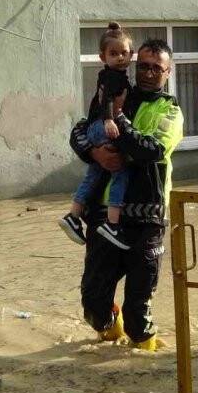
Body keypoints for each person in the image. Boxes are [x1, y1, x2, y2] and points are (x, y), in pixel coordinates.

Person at [69, 39, 184, 351]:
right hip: (105, 215)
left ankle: (146, 368)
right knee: (93, 303)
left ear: (168, 72)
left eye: (156, 68)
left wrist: (119, 120)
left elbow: (152, 150)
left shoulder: (170, 111)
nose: (148, 73)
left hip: (147, 218)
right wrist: (95, 153)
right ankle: (110, 332)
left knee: (138, 310)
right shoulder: (115, 93)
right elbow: (79, 131)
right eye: (143, 66)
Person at [60, 22, 133, 250]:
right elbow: (107, 100)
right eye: (114, 53)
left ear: (131, 54)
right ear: (103, 56)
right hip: (101, 126)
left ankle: (73, 215)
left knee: (94, 174)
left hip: (95, 126)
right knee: (120, 172)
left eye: (124, 53)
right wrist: (111, 120)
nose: (120, 57)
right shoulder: (114, 77)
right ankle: (112, 223)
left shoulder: (110, 74)